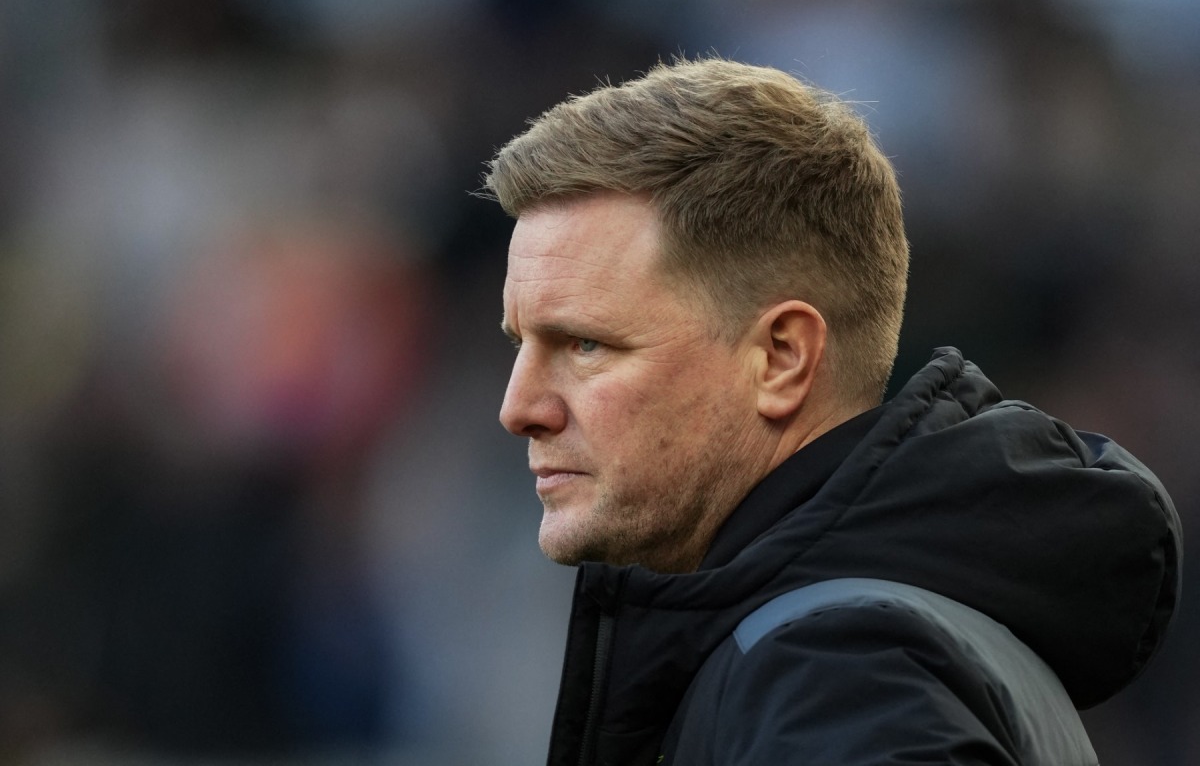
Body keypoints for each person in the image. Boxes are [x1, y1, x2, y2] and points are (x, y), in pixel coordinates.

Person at [481, 57, 1182, 765]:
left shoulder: (835, 676)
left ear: (782, 358)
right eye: (521, 343)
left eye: (585, 343)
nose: (520, 408)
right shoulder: (881, 639)